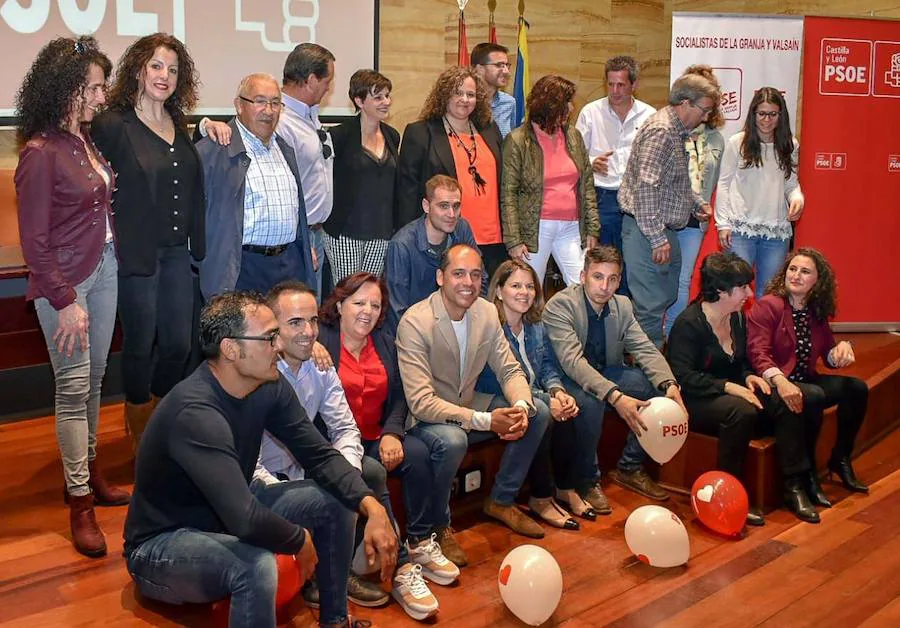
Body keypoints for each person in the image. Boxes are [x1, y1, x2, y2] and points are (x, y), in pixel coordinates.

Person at [124, 292, 397, 628]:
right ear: (231, 349)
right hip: (163, 544)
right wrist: (301, 540)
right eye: (269, 337)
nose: (279, 346)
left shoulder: (266, 383)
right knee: (256, 565)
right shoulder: (195, 413)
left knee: (338, 501)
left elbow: (319, 454)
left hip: (226, 515)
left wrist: (373, 506)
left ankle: (335, 621)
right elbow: (244, 519)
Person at [257, 280, 440, 620]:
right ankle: (327, 584)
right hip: (264, 481)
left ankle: (365, 572)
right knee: (328, 496)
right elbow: (248, 460)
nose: (308, 332)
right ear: (273, 328)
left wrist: (348, 478)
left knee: (365, 472)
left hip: (308, 464)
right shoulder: (259, 371)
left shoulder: (320, 367)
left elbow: (344, 428)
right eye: (295, 323)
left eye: (311, 322)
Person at [15, 36, 129, 558]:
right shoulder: (39, 153)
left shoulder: (84, 142)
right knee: (73, 386)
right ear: (69, 89)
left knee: (95, 382)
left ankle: (86, 476)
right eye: (95, 87)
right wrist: (64, 298)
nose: (101, 96)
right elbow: (34, 242)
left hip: (104, 271)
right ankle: (80, 503)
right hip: (66, 285)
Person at [396, 244, 550, 564]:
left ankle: (502, 500)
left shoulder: (485, 311)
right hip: (428, 419)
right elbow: (422, 402)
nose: (469, 282)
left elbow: (509, 369)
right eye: (459, 273)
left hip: (469, 404)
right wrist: (485, 420)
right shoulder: (415, 322)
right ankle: (439, 526)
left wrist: (520, 407)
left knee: (538, 410)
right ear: (440, 277)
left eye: (476, 274)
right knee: (453, 440)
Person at [90, 33, 205, 450]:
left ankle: (158, 414)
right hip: (134, 254)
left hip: (177, 253)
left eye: (173, 69)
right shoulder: (111, 125)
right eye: (156, 66)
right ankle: (139, 424)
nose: (164, 76)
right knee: (139, 344)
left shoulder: (183, 124)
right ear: (139, 69)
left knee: (178, 344)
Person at [319, 274, 464, 599]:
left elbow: (399, 395)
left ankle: (420, 541)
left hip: (374, 435)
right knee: (375, 473)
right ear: (340, 304)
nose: (367, 311)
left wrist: (392, 433)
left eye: (375, 305)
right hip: (335, 443)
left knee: (418, 453)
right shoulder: (321, 341)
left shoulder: (384, 339)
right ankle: (400, 569)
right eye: (358, 303)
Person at [667, 252, 820, 525]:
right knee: (740, 411)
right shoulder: (688, 325)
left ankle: (793, 485)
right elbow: (684, 376)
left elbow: (742, 364)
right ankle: (730, 493)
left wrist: (749, 377)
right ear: (720, 291)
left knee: (784, 397)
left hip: (731, 390)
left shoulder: (737, 318)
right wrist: (730, 387)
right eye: (742, 288)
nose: (749, 293)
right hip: (696, 398)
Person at [543, 246, 686, 506]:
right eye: (598, 277)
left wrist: (669, 383)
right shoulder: (561, 305)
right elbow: (573, 362)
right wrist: (615, 395)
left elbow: (643, 347)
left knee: (654, 389)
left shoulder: (622, 305)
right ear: (583, 275)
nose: (604, 286)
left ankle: (629, 467)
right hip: (567, 378)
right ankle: (587, 481)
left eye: (612, 279)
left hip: (606, 372)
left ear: (619, 281)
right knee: (591, 401)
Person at [202, 44, 335, 298]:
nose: (269, 110)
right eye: (260, 102)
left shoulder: (284, 149)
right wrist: (204, 124)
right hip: (243, 268)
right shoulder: (217, 150)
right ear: (239, 106)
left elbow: (298, 210)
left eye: (275, 103)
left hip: (287, 265)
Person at [747, 248, 869, 508]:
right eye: (793, 269)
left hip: (806, 378)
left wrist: (843, 349)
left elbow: (828, 355)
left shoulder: (815, 310)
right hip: (774, 383)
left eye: (805, 271)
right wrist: (781, 381)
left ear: (818, 280)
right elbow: (758, 354)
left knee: (856, 388)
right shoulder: (769, 305)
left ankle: (841, 458)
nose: (796, 275)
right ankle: (800, 480)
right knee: (812, 395)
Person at [476, 260, 582, 529]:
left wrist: (557, 391)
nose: (525, 292)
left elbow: (547, 366)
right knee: (541, 412)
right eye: (515, 286)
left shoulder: (535, 325)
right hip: (495, 398)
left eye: (529, 286)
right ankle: (536, 497)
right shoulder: (490, 327)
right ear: (498, 291)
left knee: (570, 406)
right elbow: (496, 383)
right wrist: (546, 400)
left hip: (532, 395)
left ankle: (564, 488)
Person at [617, 73, 718, 347]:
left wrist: (695, 203)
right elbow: (646, 186)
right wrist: (656, 237)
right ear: (685, 103)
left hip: (661, 228)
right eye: (704, 110)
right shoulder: (662, 131)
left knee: (665, 296)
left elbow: (672, 181)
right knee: (650, 305)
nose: (706, 117)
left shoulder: (675, 130)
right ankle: (649, 375)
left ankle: (652, 364)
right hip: (647, 230)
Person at [396, 66, 506, 278]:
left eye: (471, 94)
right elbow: (407, 192)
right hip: (446, 235)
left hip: (493, 237)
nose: (464, 99)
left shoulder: (489, 130)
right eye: (458, 92)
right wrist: (410, 239)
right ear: (444, 95)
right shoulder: (420, 133)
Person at [501, 74, 599, 286]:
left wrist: (592, 229)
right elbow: (507, 193)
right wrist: (514, 240)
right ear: (549, 106)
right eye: (566, 103)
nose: (572, 108)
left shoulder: (573, 136)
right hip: (535, 229)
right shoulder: (517, 140)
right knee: (528, 288)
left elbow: (587, 186)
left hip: (572, 227)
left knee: (583, 285)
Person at [576, 55, 656, 296]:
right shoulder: (591, 112)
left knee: (632, 262)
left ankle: (625, 315)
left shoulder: (649, 115)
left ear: (634, 85)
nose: (615, 90)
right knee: (601, 262)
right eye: (610, 84)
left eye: (621, 84)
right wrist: (590, 163)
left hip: (636, 199)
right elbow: (574, 155)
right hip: (601, 197)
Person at [716, 87, 804, 299]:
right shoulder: (738, 142)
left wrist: (797, 198)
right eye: (761, 114)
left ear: (781, 115)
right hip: (740, 229)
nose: (767, 120)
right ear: (753, 114)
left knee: (770, 293)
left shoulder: (790, 145)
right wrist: (723, 224)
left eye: (773, 114)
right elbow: (724, 183)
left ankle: (763, 333)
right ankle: (736, 332)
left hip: (776, 231)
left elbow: (791, 183)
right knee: (736, 290)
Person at [664, 64, 726, 336]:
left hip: (694, 223)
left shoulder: (717, 139)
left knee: (683, 280)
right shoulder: (668, 130)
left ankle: (671, 334)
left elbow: (718, 182)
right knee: (658, 278)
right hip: (665, 219)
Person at [323, 70, 400, 281]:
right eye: (378, 97)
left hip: (381, 232)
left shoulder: (392, 136)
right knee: (348, 293)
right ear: (359, 100)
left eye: (387, 95)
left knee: (370, 292)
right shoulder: (339, 136)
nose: (386, 102)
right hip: (344, 232)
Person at [384, 175, 481, 331]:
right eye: (443, 206)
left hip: (458, 324)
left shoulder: (462, 229)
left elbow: (480, 280)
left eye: (456, 206)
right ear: (426, 206)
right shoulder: (402, 245)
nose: (451, 214)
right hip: (417, 331)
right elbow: (397, 310)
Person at [471, 42, 516, 137]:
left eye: (506, 65)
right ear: (479, 69)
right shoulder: (466, 102)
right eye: (499, 65)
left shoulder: (509, 103)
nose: (506, 71)